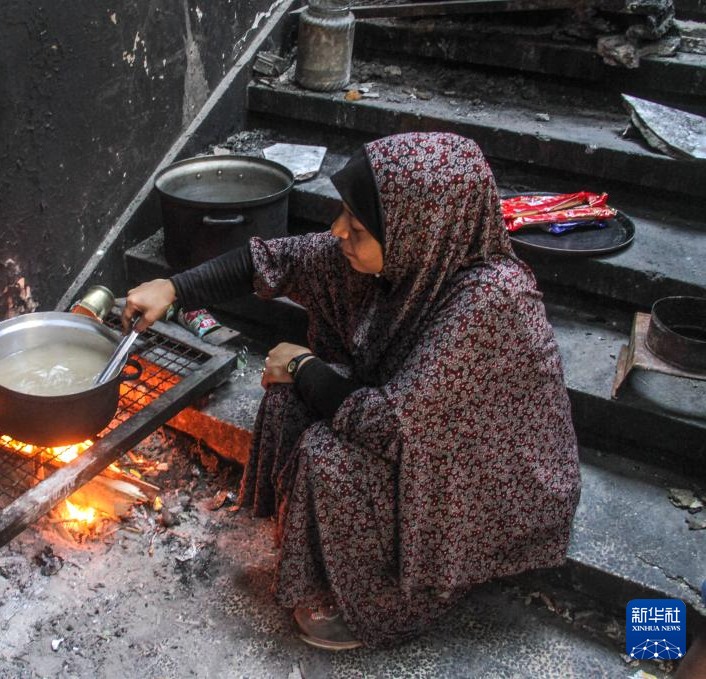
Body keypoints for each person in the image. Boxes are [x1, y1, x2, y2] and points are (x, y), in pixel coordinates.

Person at [123, 132, 581, 650]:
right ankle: (326, 561)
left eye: (355, 225)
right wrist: (174, 288)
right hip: (407, 423)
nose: (338, 229)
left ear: (417, 231)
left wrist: (301, 364)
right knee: (288, 398)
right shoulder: (400, 256)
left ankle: (394, 602)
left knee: (327, 454)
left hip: (481, 481)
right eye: (342, 212)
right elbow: (276, 259)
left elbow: (388, 426)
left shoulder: (491, 302)